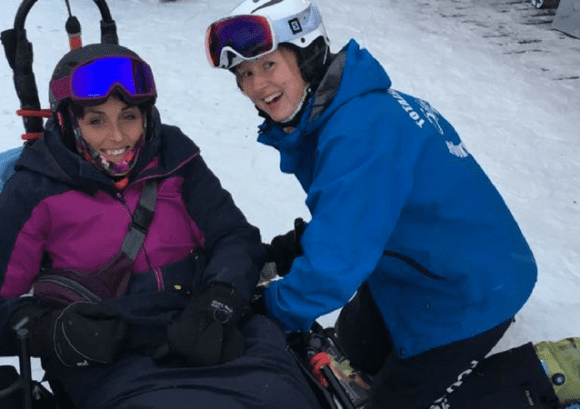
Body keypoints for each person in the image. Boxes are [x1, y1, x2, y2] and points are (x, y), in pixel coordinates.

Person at [204, 1, 566, 408]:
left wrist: (265, 313)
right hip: (415, 265)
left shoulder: (358, 132)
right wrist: (288, 251)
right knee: (350, 356)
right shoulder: (345, 107)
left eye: (268, 65)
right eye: (245, 74)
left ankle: (552, 372)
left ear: (307, 52)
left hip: (470, 291)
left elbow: (335, 266)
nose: (256, 85)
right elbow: (358, 211)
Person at [0, 42, 322, 409]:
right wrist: (54, 332)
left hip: (214, 333)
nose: (118, 138)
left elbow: (232, 236)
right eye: (96, 120)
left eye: (129, 117)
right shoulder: (34, 189)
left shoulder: (173, 156)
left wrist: (221, 300)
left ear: (147, 116)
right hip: (112, 359)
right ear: (67, 121)